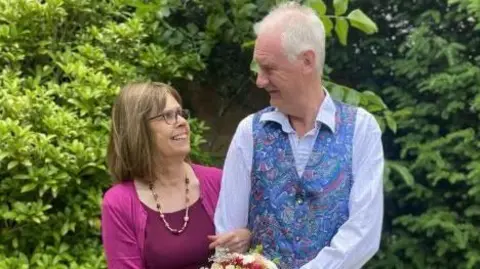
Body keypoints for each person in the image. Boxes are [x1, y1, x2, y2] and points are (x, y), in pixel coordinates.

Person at [212, 2, 384, 269]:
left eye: (269, 69)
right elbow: (228, 234)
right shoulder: (249, 131)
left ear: (307, 61)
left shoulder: (361, 128)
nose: (259, 80)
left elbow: (364, 232)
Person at [101, 82, 224, 269]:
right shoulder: (119, 203)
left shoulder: (218, 181)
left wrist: (245, 236)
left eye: (181, 113)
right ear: (139, 130)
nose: (182, 122)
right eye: (167, 116)